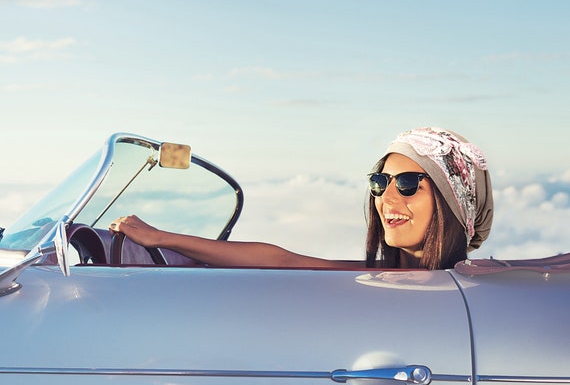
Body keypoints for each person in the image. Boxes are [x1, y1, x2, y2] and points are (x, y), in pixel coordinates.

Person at [110, 127, 493, 270]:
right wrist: (160, 238)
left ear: (453, 203)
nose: (386, 196)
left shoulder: (480, 289)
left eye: (408, 183)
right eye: (379, 181)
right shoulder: (379, 276)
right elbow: (280, 260)